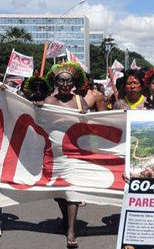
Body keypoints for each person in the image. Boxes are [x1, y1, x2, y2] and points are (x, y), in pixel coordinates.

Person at [44, 62, 89, 248]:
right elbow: (40, 121)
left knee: (72, 190)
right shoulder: (48, 101)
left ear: (73, 83)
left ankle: (71, 230)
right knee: (59, 192)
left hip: (74, 153)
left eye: (68, 81)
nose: (65, 84)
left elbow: (90, 123)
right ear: (55, 82)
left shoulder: (80, 101)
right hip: (54, 152)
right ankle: (64, 220)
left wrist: (86, 114)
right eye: (61, 80)